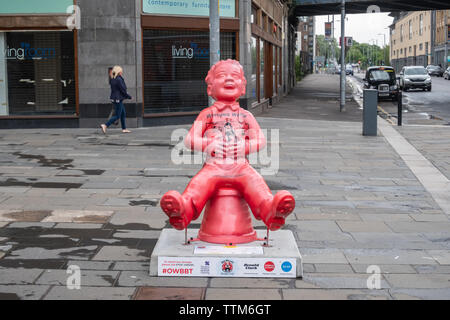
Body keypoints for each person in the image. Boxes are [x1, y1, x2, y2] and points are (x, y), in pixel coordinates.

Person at [160, 59, 295, 232]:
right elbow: (189, 139)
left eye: (235, 76)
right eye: (222, 76)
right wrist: (209, 144)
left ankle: (271, 211)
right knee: (199, 184)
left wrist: (244, 147)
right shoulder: (206, 115)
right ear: (210, 87)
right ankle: (183, 211)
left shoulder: (246, 116)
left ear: (243, 87)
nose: (229, 79)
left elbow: (260, 140)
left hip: (241, 167)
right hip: (213, 167)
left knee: (256, 183)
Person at [100, 66, 132, 134]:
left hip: (114, 98)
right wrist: (129, 96)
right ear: (118, 72)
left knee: (123, 113)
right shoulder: (119, 79)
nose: (122, 72)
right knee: (118, 115)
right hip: (118, 99)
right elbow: (123, 90)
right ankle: (105, 125)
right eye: (121, 71)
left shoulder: (113, 79)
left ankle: (124, 129)